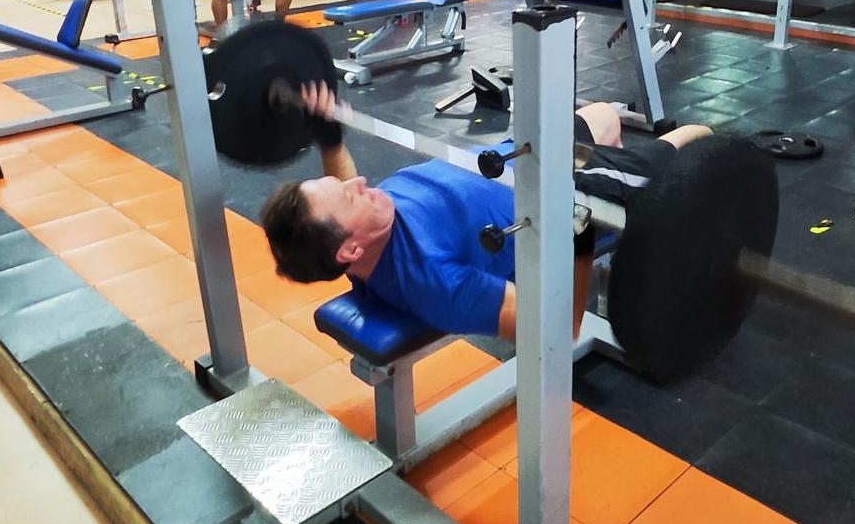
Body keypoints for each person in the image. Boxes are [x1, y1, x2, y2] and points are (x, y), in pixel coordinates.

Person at [260, 92, 712, 340]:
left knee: (601, 115)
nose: (359, 183)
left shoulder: (359, 241)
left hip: (516, 155)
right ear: (351, 248)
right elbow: (561, 330)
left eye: (343, 182)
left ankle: (618, 174)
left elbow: (341, 198)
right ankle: (720, 150)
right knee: (687, 143)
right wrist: (580, 239)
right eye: (348, 195)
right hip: (569, 192)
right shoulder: (436, 285)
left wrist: (331, 142)